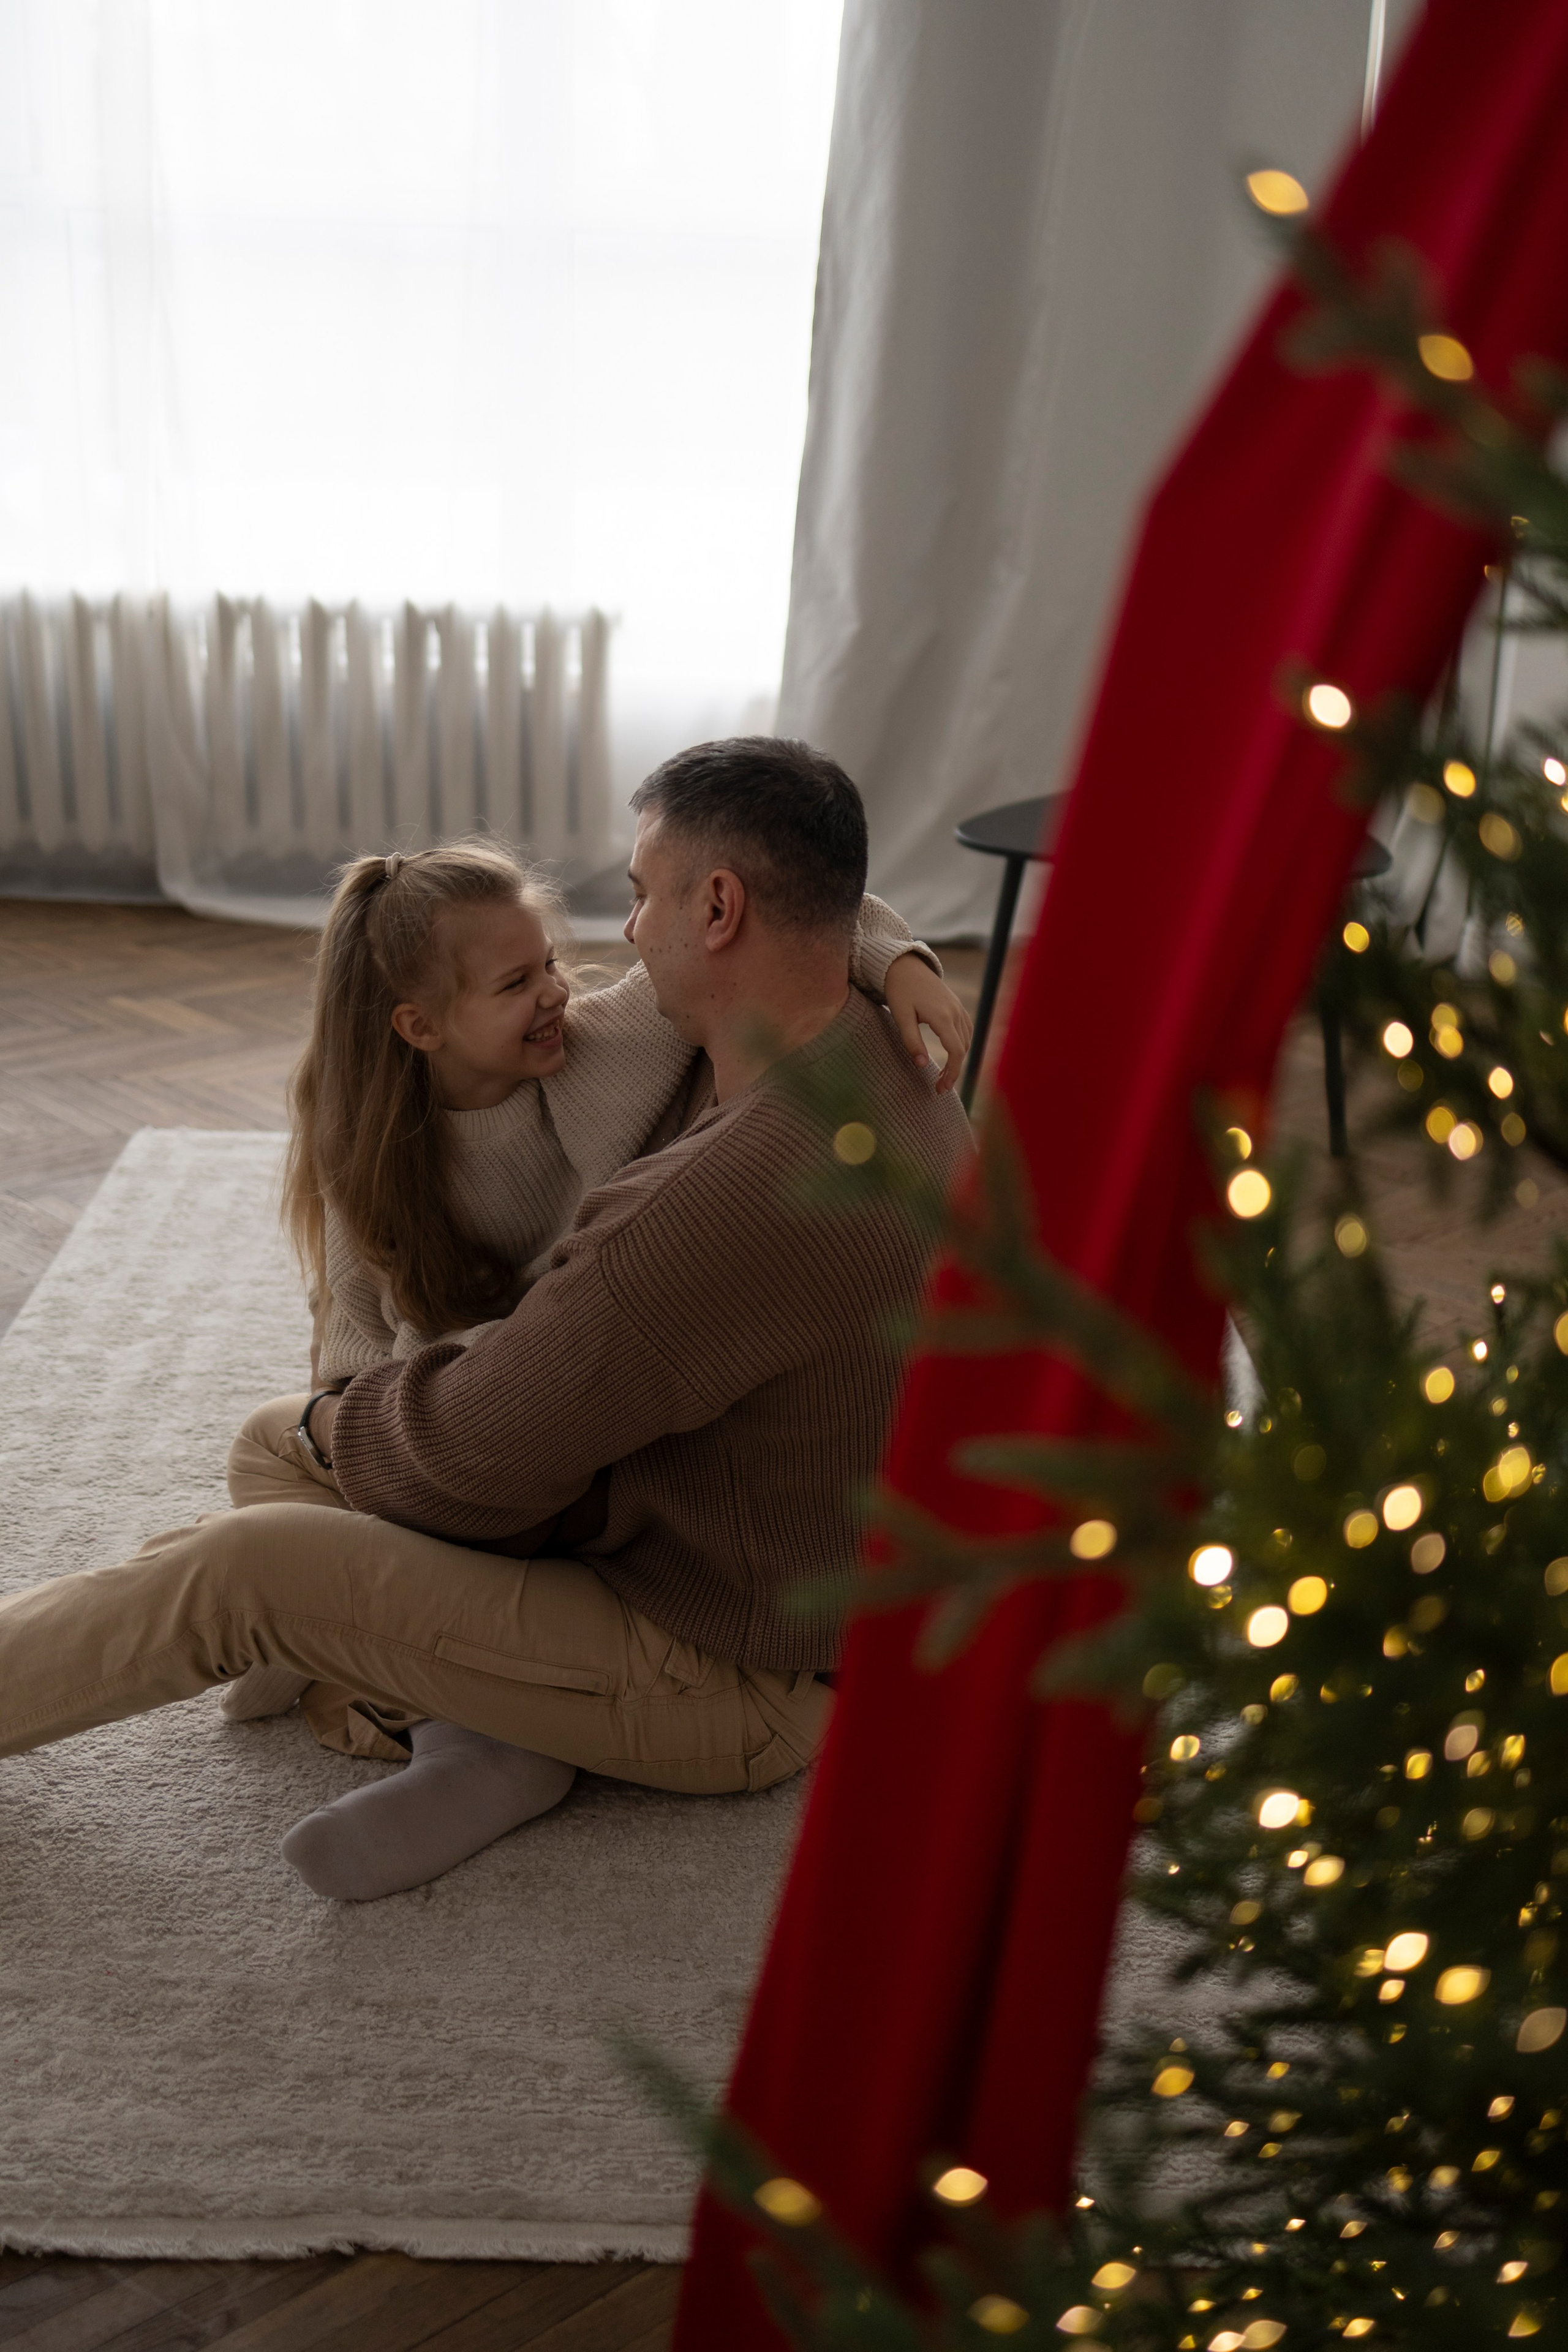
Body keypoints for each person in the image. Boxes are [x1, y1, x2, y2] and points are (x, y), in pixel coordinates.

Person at [0, 739, 974, 1899]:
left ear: (718, 908)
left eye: (639, 893)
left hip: (733, 1671)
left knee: (246, 1565)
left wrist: (337, 1440)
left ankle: (450, 1716)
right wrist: (898, 952)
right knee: (278, 1438)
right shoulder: (865, 1050)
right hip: (757, 1551)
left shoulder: (700, 1211)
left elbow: (475, 1460)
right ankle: (440, 1703)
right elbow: (830, 906)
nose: (625, 937)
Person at [219, 832, 968, 1732]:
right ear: (418, 1027)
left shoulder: (602, 1046)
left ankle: (374, 1671)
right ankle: (366, 1657)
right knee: (300, 1448)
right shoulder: (371, 1155)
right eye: (515, 986)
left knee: (283, 1460)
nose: (555, 993)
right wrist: (373, 1447)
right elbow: (351, 1343)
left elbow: (796, 923)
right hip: (471, 1416)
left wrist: (903, 967)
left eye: (548, 964)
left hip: (580, 1409)